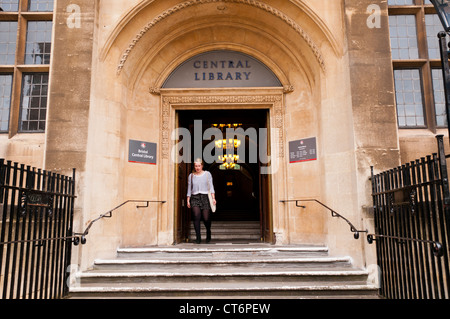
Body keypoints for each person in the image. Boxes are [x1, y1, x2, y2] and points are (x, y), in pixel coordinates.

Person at [187, 158, 216, 244]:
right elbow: (189, 188)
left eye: (199, 166)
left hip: (205, 197)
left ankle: (208, 231)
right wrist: (188, 200)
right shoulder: (191, 176)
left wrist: (213, 198)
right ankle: (198, 238)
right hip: (194, 197)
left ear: (202, 166)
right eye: (196, 166)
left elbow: (211, 186)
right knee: (196, 216)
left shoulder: (207, 174)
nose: (197, 167)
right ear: (194, 166)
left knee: (206, 218)